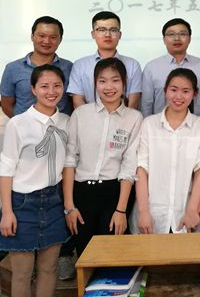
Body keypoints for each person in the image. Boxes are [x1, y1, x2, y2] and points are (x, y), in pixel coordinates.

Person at [0, 64, 70, 297]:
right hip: (22, 203)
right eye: (44, 86)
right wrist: (7, 212)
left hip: (54, 201)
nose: (51, 92)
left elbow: (68, 164)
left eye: (57, 86)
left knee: (49, 268)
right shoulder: (18, 123)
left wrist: (68, 206)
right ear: (33, 89)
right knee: (22, 273)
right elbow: (6, 170)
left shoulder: (66, 122)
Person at [62, 58, 143, 257]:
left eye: (115, 80)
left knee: (111, 256)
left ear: (124, 83)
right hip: (81, 193)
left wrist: (121, 210)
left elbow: (129, 165)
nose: (109, 87)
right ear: (95, 83)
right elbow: (69, 160)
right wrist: (69, 207)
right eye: (102, 81)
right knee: (85, 255)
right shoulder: (80, 114)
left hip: (114, 193)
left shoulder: (134, 118)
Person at [131, 68, 200, 234]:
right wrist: (143, 212)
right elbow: (141, 169)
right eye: (173, 90)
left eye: (186, 91)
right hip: (152, 214)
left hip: (184, 214)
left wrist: (192, 209)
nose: (178, 96)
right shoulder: (149, 124)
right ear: (165, 90)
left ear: (194, 94)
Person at [141, 18, 200, 118]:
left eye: (182, 34)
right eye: (171, 34)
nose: (177, 38)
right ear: (164, 40)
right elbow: (146, 104)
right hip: (159, 125)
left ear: (189, 39)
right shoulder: (151, 67)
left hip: (195, 125)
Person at [0, 15, 72, 117]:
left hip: (61, 125)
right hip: (25, 125)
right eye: (42, 36)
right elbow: (6, 104)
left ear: (60, 39)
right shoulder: (13, 68)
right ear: (32, 36)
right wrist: (22, 122)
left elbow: (73, 101)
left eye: (53, 37)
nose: (47, 41)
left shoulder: (69, 67)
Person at [67, 11, 142, 110]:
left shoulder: (132, 65)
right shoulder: (80, 65)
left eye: (113, 30)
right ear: (93, 34)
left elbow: (133, 103)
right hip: (88, 119)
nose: (107, 34)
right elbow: (78, 101)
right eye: (101, 30)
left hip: (124, 119)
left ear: (120, 34)